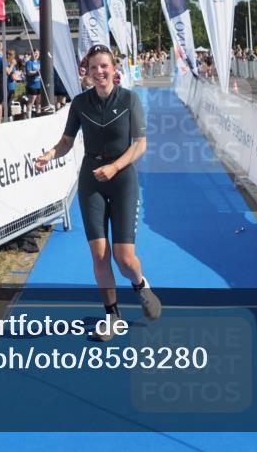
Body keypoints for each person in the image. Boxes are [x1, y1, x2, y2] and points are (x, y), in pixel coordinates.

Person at [35, 44, 160, 341]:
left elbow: (140, 143)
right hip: (91, 181)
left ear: (114, 69)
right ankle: (111, 315)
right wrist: (49, 154)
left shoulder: (129, 100)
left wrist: (115, 167)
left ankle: (141, 286)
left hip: (122, 181)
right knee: (99, 254)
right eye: (94, 68)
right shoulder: (80, 103)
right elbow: (66, 142)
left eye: (104, 66)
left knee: (124, 258)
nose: (99, 72)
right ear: (87, 72)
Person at [25, 49, 43, 117]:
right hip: (32, 85)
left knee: (39, 102)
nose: (36, 55)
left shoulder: (39, 62)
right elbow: (29, 72)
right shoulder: (29, 63)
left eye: (37, 53)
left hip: (39, 85)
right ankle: (28, 117)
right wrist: (37, 72)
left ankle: (38, 115)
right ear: (32, 54)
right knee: (31, 102)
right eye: (35, 53)